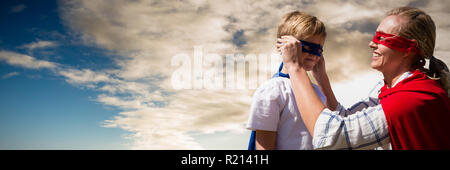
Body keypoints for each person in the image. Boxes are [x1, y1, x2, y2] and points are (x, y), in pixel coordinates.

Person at [277, 7, 450, 150]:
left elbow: (329, 137)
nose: (372, 43)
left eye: (381, 38)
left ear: (407, 50)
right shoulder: (389, 88)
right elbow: (345, 117)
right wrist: (321, 77)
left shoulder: (412, 98)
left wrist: (295, 67)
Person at [246, 11, 327, 150]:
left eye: (319, 50)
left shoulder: (317, 92)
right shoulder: (272, 90)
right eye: (307, 47)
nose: (314, 55)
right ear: (286, 46)